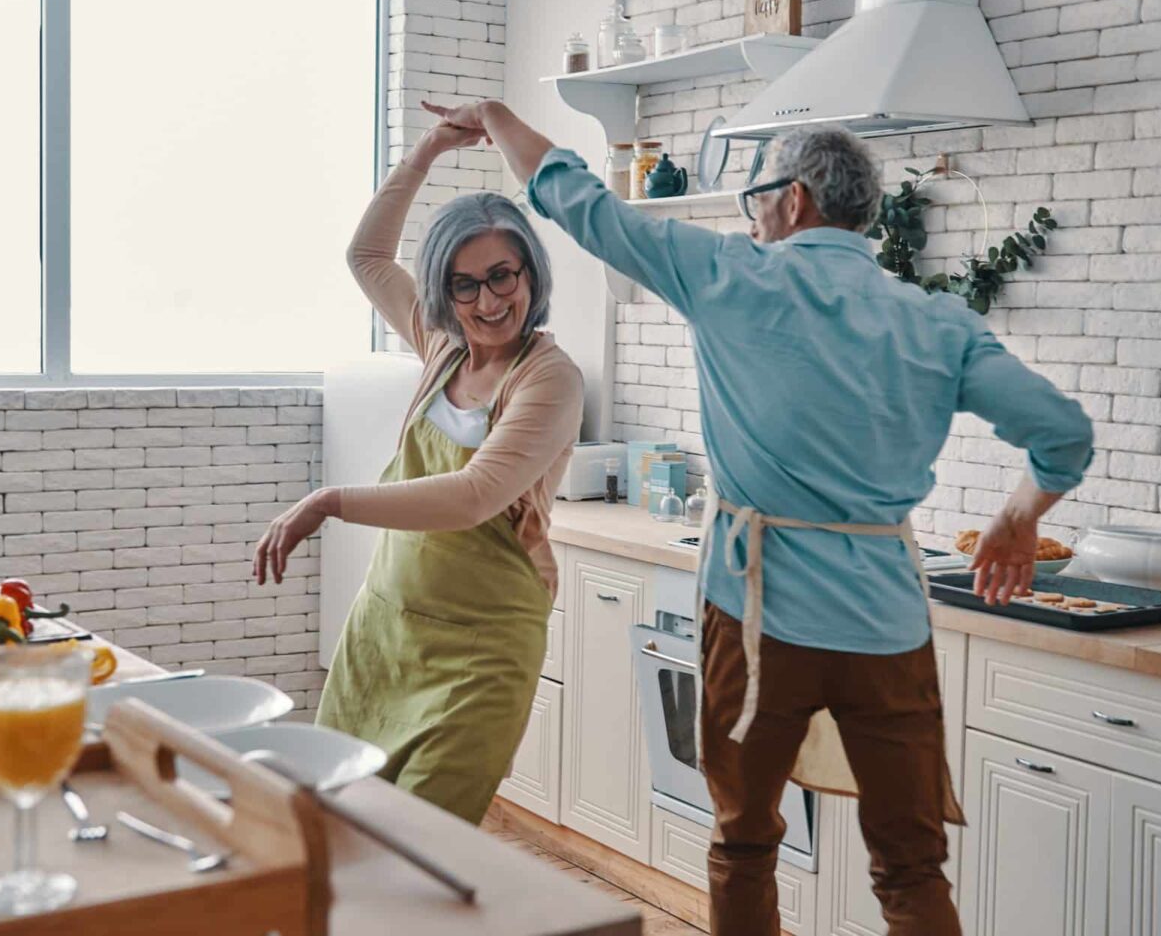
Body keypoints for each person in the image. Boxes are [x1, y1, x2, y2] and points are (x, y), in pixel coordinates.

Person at [422, 100, 1093, 936]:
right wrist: (1019, 517)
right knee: (911, 866)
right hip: (885, 625)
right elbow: (1064, 436)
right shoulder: (934, 320)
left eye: (754, 195)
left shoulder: (728, 275)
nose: (751, 213)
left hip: (753, 619)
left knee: (743, 843)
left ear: (795, 199)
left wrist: (496, 118)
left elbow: (579, 201)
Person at [251, 120, 584, 826]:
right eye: (465, 285)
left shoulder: (548, 378)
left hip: (480, 653)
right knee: (336, 824)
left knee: (420, 841)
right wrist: (426, 153)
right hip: (384, 634)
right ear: (444, 292)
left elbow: (475, 495)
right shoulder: (442, 346)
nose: (489, 302)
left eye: (503, 275)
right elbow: (367, 254)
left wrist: (331, 501)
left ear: (530, 273)